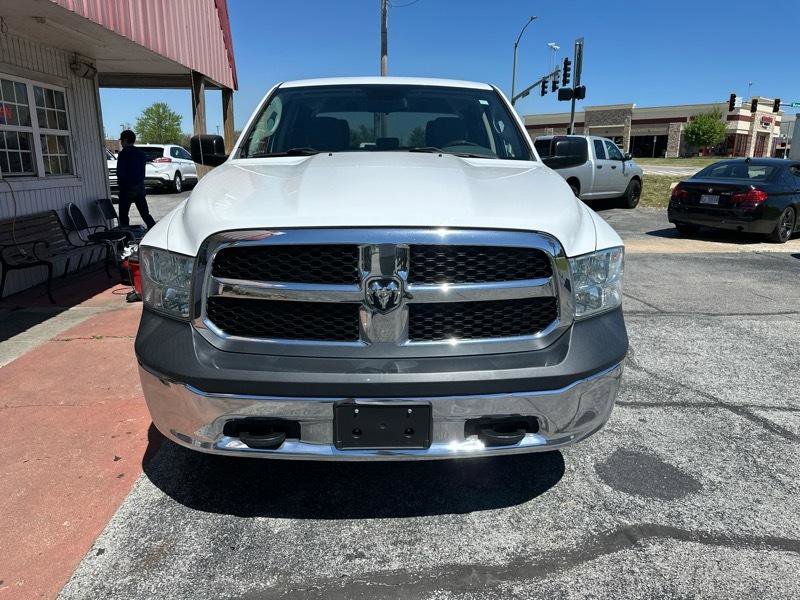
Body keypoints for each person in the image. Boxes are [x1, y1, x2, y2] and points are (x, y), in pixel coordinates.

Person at [116, 130, 156, 229]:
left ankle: (125, 239)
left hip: (127, 189)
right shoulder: (141, 154)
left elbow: (120, 173)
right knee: (145, 214)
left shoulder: (123, 154)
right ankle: (154, 231)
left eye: (122, 141)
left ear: (125, 140)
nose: (121, 143)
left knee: (123, 216)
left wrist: (121, 186)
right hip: (140, 187)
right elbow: (143, 172)